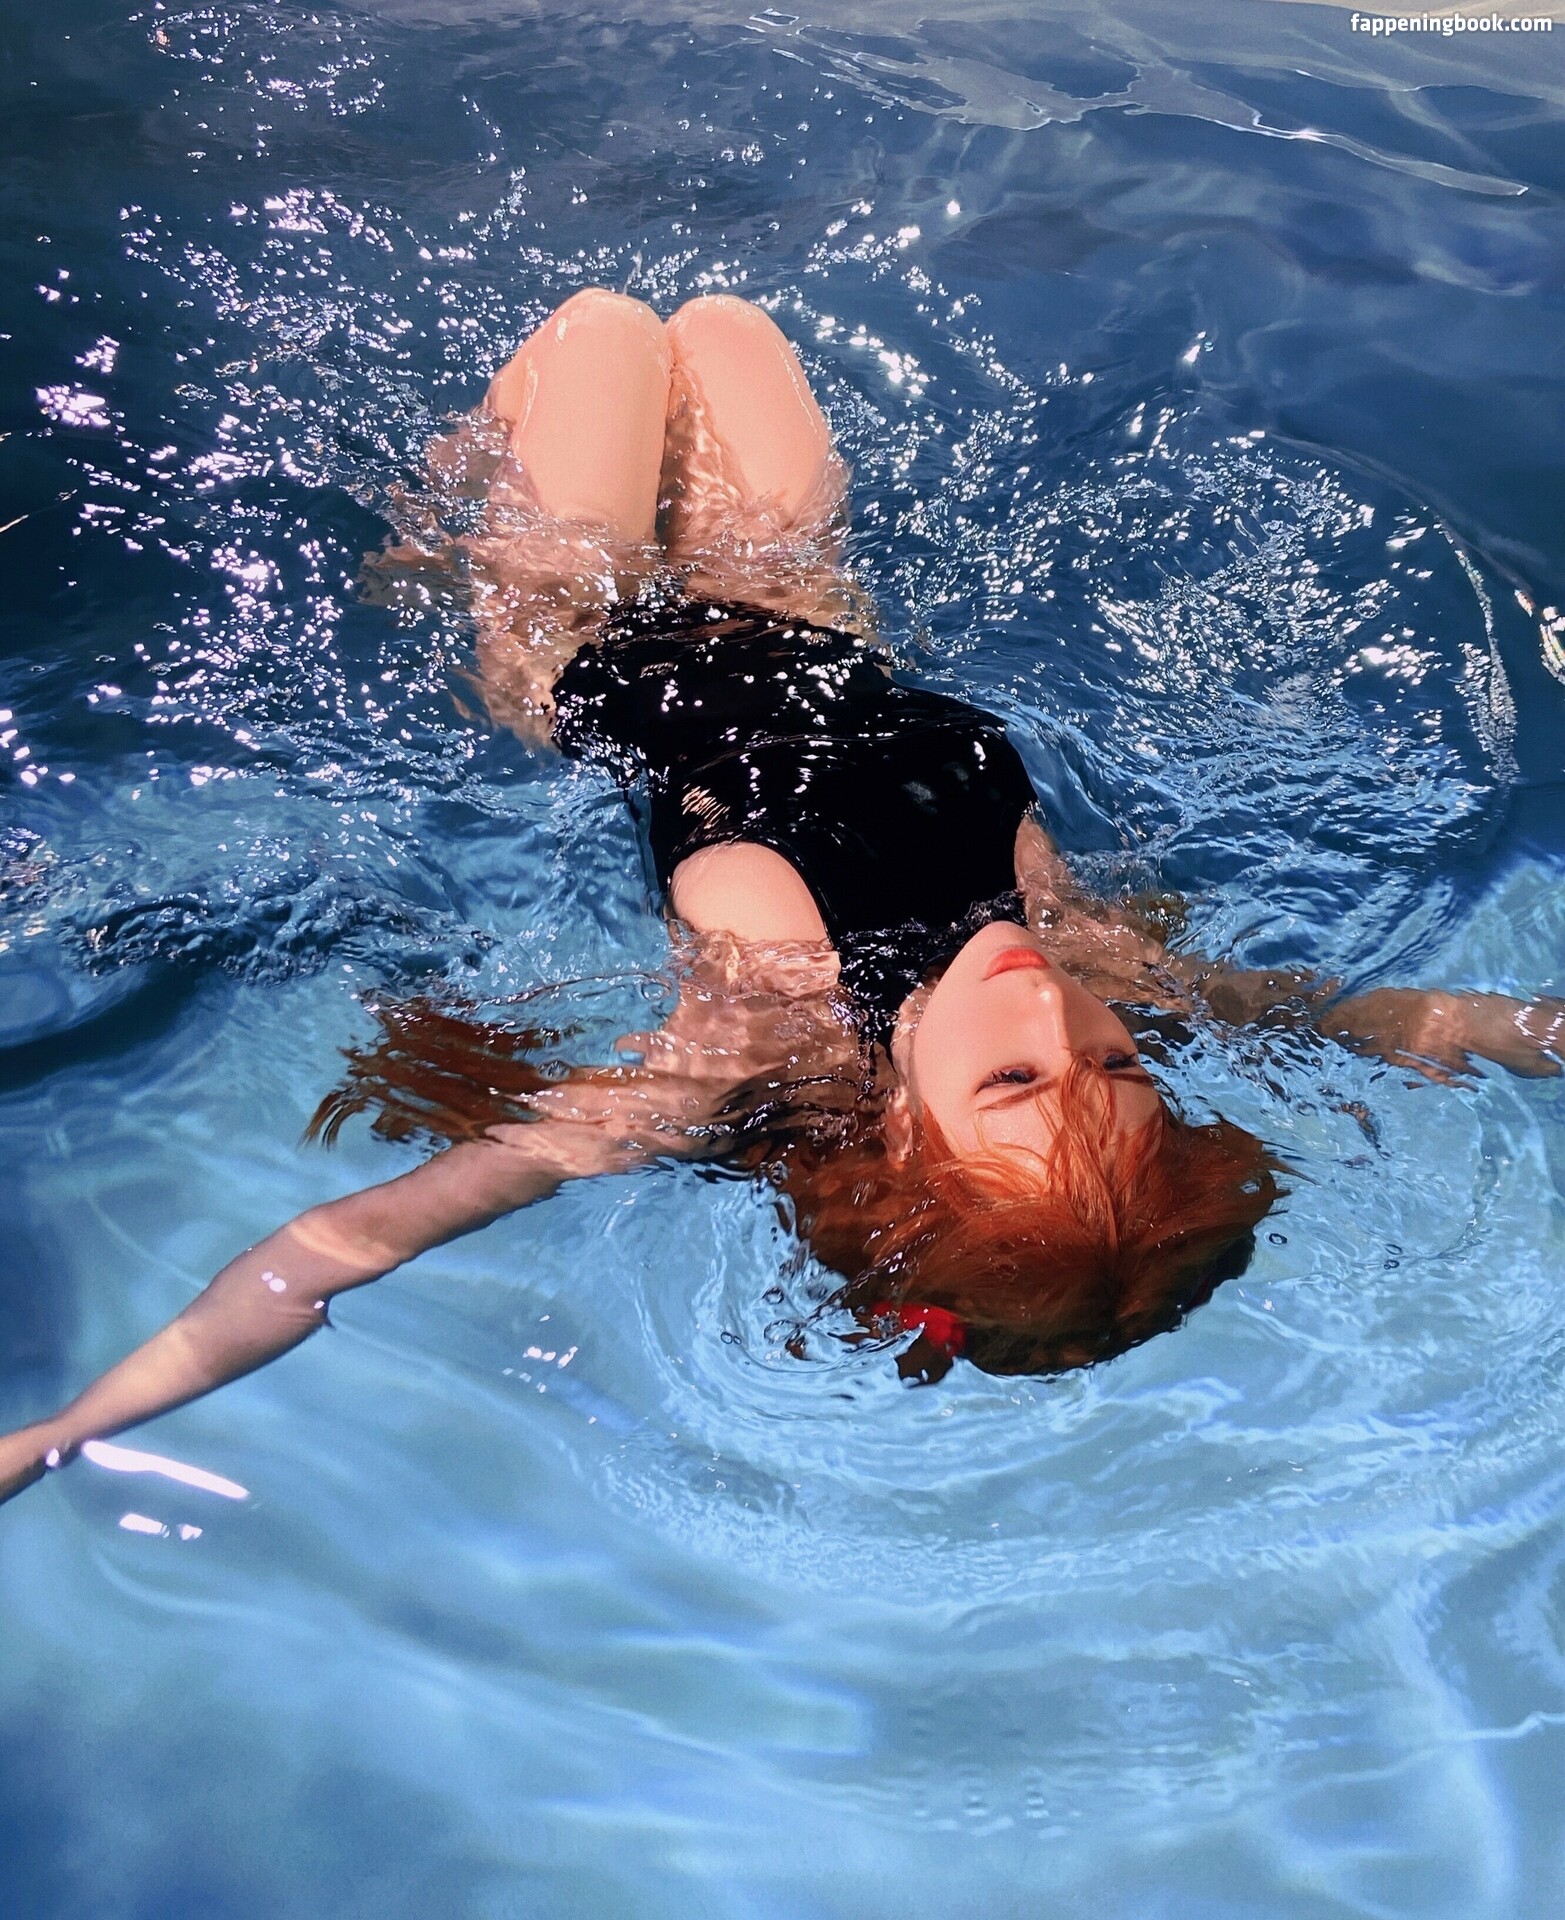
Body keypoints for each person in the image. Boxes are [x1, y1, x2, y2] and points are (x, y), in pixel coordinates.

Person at [2, 289, 1561, 1505]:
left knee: (604, 332)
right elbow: (1394, 1021)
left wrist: (65, 1430)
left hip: (575, 641)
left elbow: (343, 1244)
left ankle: (428, 550)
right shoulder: (1104, 967)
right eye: (1112, 1064)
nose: (1054, 1017)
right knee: (725, 333)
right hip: (807, 616)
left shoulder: (745, 1048)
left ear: (901, 1143)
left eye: (1013, 1083)